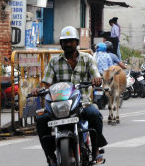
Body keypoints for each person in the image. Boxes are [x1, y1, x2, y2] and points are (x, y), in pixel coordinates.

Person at [34, 26, 106, 165]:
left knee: (95, 114)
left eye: (71, 41)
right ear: (61, 44)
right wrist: (39, 90)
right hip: (59, 105)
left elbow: (96, 75)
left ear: (76, 42)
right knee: (41, 120)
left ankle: (96, 150)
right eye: (65, 41)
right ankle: (50, 156)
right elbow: (47, 84)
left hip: (82, 103)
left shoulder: (87, 59)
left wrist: (97, 80)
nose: (68, 44)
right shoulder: (54, 61)